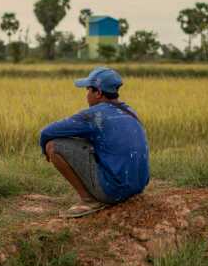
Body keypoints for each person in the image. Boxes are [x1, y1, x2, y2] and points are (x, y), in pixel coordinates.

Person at [39, 66, 150, 218]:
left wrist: (45, 151)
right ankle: (105, 189)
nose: (86, 95)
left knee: (53, 146)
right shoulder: (129, 111)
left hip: (113, 192)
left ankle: (89, 200)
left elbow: (47, 132)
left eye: (88, 90)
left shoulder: (94, 115)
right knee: (89, 139)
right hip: (137, 187)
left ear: (98, 93)